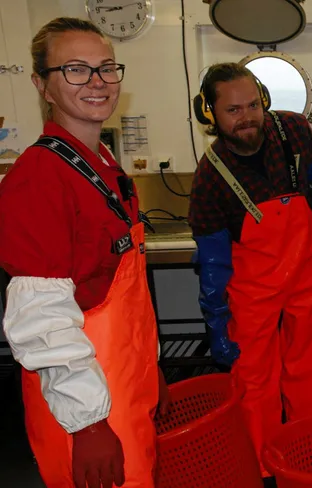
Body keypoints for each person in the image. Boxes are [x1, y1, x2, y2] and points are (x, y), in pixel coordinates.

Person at [0, 17, 169, 488]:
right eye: (75, 70)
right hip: (84, 405)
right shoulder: (39, 178)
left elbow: (124, 299)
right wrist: (89, 424)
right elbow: (41, 315)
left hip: (124, 387)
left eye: (106, 69)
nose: (97, 83)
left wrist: (150, 365)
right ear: (43, 84)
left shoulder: (104, 167)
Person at [188, 62, 312, 472]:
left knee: (310, 369)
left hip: (306, 272)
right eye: (232, 110)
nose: (246, 117)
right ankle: (262, 469)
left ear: (264, 100)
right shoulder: (209, 177)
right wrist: (217, 323)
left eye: (252, 105)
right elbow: (212, 261)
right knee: (255, 381)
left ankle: (310, 456)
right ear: (209, 113)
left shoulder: (293, 129)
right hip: (251, 288)